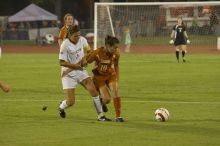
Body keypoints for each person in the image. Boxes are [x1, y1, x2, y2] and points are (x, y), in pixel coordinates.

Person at [58, 25, 111, 121]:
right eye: (75, 36)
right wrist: (75, 66)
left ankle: (101, 116)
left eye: (79, 35)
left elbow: (88, 51)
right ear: (69, 35)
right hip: (68, 75)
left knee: (94, 92)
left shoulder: (82, 40)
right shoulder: (65, 45)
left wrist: (85, 59)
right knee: (71, 102)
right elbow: (61, 62)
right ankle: (61, 107)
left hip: (81, 71)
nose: (78, 38)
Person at [86, 35, 124, 122]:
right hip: (99, 77)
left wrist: (117, 78)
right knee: (107, 99)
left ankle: (118, 116)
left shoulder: (116, 53)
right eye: (114, 47)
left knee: (115, 89)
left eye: (117, 47)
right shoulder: (97, 52)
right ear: (107, 46)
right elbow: (87, 61)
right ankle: (101, 103)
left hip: (110, 74)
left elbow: (116, 65)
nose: (116, 49)